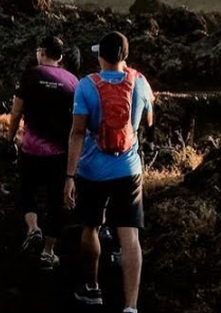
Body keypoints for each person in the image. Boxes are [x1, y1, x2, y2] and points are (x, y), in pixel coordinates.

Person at [64, 32, 154, 313]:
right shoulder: (140, 81)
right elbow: (148, 121)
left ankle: (91, 288)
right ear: (124, 56)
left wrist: (69, 176)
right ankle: (130, 306)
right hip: (128, 169)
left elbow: (77, 132)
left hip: (92, 171)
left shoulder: (86, 86)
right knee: (129, 237)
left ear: (101, 56)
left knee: (90, 227)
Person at [6, 34, 77, 269]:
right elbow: (78, 122)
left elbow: (16, 112)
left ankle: (33, 227)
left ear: (42, 52)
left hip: (31, 149)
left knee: (27, 192)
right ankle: (48, 252)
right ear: (61, 57)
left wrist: (9, 139)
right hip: (59, 154)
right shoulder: (72, 81)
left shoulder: (30, 75)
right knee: (56, 202)